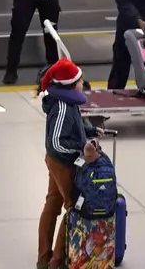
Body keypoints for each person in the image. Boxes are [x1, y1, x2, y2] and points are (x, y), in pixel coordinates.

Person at [37, 58, 103, 269]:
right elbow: (56, 141)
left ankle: (43, 258)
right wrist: (80, 150)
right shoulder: (63, 106)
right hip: (62, 163)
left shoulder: (67, 102)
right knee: (74, 207)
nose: (82, 83)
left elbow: (70, 130)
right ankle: (56, 261)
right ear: (70, 83)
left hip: (56, 160)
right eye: (80, 80)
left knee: (52, 205)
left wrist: (90, 132)